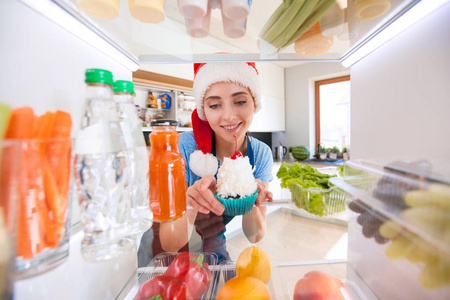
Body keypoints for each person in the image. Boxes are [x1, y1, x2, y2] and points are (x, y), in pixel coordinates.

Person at [179, 61, 274, 243]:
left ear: (254, 103)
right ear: (204, 111)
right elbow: (171, 240)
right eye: (215, 105)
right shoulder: (186, 146)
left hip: (213, 244)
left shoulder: (261, 153)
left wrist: (250, 193)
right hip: (168, 249)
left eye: (239, 102)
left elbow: (255, 236)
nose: (229, 116)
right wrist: (190, 203)